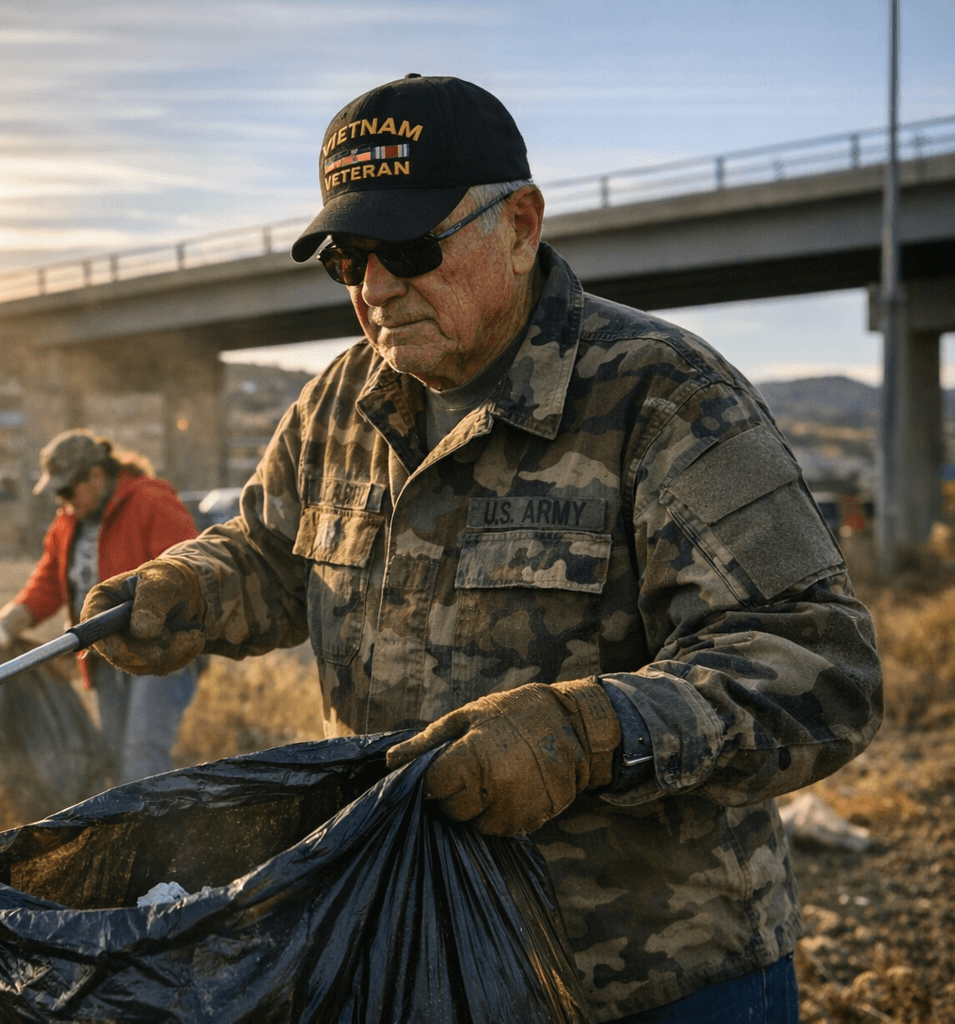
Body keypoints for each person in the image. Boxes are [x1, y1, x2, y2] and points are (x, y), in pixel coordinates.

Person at [80, 75, 882, 1022]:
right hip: (411, 957)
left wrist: (590, 733)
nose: (376, 288)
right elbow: (272, 554)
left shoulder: (665, 397)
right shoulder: (339, 403)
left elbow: (822, 667)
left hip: (644, 980)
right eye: (348, 260)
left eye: (410, 249)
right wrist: (189, 588)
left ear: (521, 227)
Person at [0, 429, 201, 784]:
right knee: (115, 757)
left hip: (161, 652)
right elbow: (51, 579)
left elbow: (187, 570)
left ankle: (157, 821)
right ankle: (133, 819)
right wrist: (18, 614)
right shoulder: (68, 521)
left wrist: (145, 615)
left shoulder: (151, 501)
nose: (63, 500)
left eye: (67, 490)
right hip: (107, 657)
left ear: (97, 476)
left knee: (142, 754)